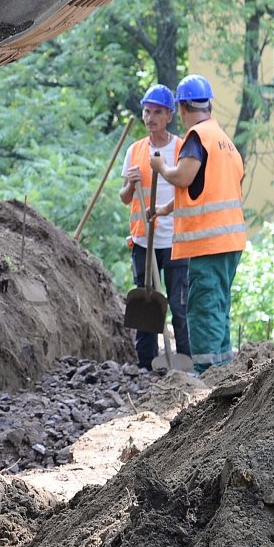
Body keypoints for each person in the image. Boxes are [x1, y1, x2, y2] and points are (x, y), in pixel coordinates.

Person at [151, 75, 247, 373]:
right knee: (218, 306)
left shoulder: (196, 138)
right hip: (230, 241)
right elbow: (208, 188)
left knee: (204, 308)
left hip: (209, 243)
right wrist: (167, 208)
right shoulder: (223, 141)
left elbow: (183, 176)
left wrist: (161, 167)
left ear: (181, 108)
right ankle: (223, 368)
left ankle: (208, 374)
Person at [117, 83, 190, 369]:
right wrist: (130, 184)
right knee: (144, 301)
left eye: (157, 112)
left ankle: (186, 358)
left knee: (179, 303)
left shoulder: (182, 149)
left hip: (175, 239)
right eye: (147, 111)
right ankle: (144, 363)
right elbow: (125, 199)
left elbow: (188, 190)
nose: (150, 118)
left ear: (169, 116)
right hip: (143, 240)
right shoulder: (135, 151)